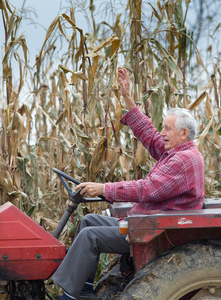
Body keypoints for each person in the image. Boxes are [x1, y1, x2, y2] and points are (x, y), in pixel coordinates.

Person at [52, 68, 205, 300]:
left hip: (156, 230)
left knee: (89, 236)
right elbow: (150, 136)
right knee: (88, 221)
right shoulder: (174, 151)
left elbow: (148, 189)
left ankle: (70, 297)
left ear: (183, 133)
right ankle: (82, 289)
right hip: (148, 221)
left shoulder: (183, 160)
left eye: (167, 128)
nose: (161, 132)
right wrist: (127, 97)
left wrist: (104, 188)